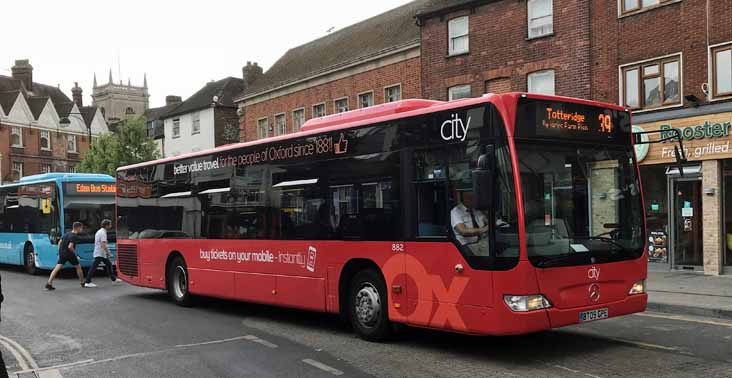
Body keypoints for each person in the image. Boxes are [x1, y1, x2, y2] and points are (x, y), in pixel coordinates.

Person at [45, 221, 86, 290]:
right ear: (78, 228)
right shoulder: (74, 236)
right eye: (81, 228)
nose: (82, 229)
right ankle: (82, 282)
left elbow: (59, 242)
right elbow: (70, 246)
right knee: (78, 267)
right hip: (69, 254)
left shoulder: (66, 234)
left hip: (62, 253)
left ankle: (49, 283)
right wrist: (75, 254)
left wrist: (59, 251)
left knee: (57, 268)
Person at [451, 190, 492, 257]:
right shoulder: (455, 212)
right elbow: (463, 231)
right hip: (466, 246)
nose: (475, 200)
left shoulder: (476, 210)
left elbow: (487, 221)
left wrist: (488, 213)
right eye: (472, 198)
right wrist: (483, 229)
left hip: (482, 242)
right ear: (465, 198)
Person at [84, 219, 119, 287]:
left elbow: (100, 243)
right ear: (106, 225)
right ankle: (87, 282)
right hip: (100, 253)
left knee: (108, 265)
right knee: (94, 267)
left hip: (100, 252)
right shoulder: (103, 233)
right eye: (110, 224)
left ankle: (114, 279)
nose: (111, 226)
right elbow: (103, 245)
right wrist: (108, 253)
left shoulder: (99, 231)